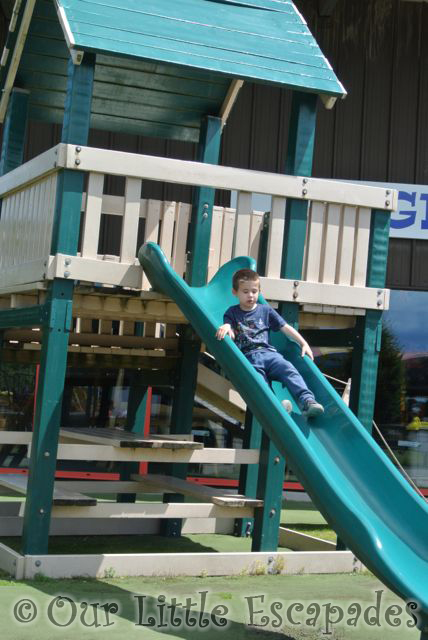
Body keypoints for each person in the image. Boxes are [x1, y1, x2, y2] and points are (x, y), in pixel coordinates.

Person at [215, 268, 324, 418]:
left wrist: (303, 343)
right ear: (235, 292)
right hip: (249, 358)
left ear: (259, 291)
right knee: (259, 383)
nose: (250, 295)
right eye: (245, 291)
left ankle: (307, 401)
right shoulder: (232, 313)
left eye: (254, 291)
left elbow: (285, 328)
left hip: (269, 354)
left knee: (289, 369)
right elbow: (230, 332)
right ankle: (276, 406)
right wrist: (227, 326)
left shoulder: (265, 311)